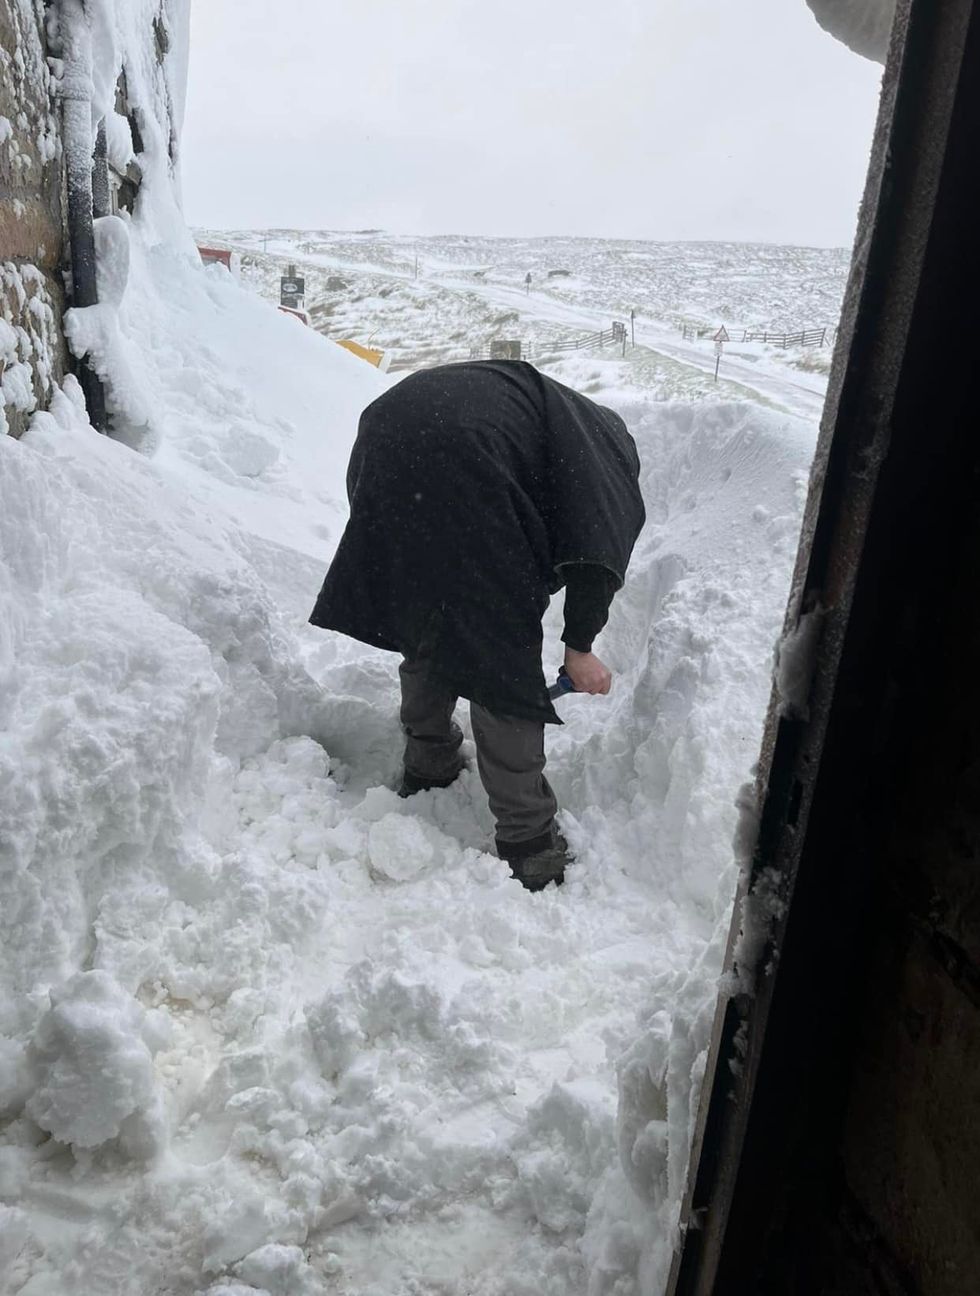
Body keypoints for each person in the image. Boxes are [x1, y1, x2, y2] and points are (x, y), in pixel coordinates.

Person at [309, 360, 645, 890]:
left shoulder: (554, 425)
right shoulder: (604, 466)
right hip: (464, 454)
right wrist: (579, 648)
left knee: (429, 610)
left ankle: (428, 761)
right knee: (498, 657)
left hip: (388, 433)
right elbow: (595, 563)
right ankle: (529, 843)